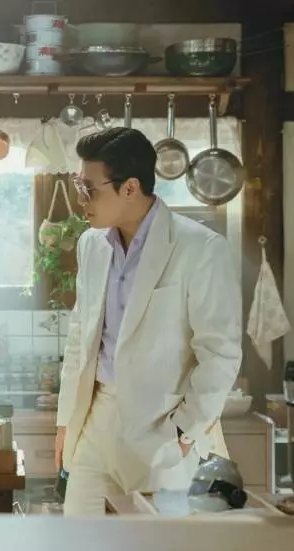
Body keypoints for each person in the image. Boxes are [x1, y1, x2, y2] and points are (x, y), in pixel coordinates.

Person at [55, 127, 242, 515]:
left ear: (129, 188)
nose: (81, 200)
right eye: (79, 186)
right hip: (96, 424)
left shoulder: (201, 248)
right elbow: (79, 337)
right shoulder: (91, 245)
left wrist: (184, 433)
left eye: (89, 189)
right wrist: (65, 422)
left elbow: (220, 354)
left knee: (159, 541)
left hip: (164, 429)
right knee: (77, 537)